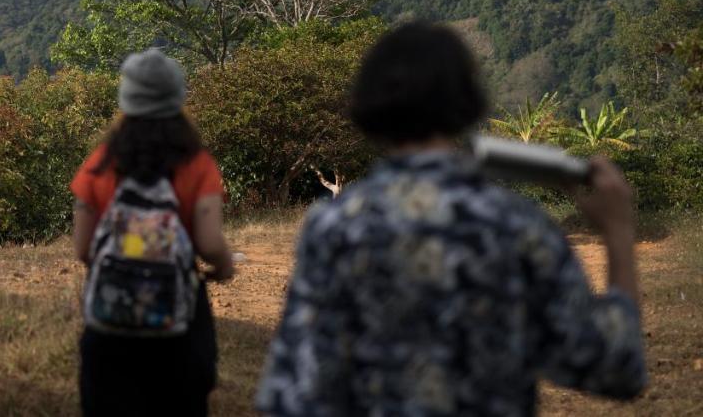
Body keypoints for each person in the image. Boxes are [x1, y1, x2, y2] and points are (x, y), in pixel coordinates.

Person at [254, 22, 647, 415]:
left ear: (369, 104)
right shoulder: (517, 225)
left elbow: (292, 396)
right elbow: (616, 368)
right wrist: (618, 231)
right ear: (466, 102)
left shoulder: (334, 227)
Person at [71, 48, 235, 416]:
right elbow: (209, 243)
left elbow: (82, 249)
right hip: (178, 324)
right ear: (177, 97)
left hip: (110, 324)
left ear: (126, 99)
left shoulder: (100, 163)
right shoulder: (197, 163)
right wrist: (224, 267)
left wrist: (127, 258)